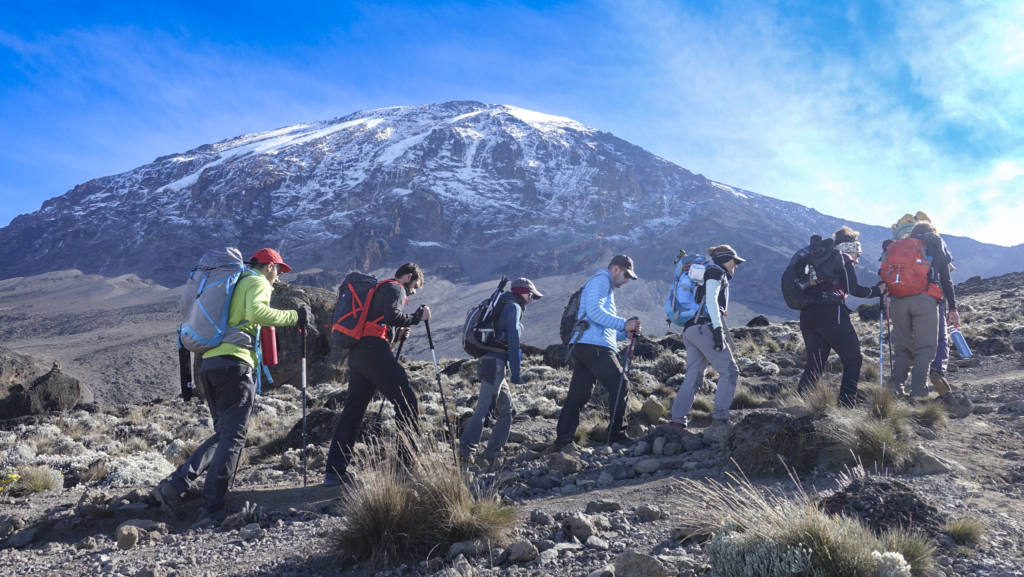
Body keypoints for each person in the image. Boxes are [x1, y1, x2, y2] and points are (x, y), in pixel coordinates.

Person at [154, 248, 312, 521]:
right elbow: (259, 314)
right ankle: (213, 503)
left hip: (211, 365)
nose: (279, 279)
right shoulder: (257, 281)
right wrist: (295, 316)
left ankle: (174, 486)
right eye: (279, 271)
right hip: (234, 367)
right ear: (270, 267)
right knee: (234, 436)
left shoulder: (234, 283)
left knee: (224, 434)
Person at [323, 263, 430, 487]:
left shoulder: (380, 289)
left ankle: (334, 472)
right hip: (374, 354)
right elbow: (393, 316)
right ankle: (403, 466)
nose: (413, 292)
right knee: (408, 403)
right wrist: (418, 317)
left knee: (352, 413)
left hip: (359, 355)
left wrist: (397, 336)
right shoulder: (395, 287)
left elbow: (380, 322)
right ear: (408, 277)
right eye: (415, 287)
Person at [553, 255, 642, 449]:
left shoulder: (603, 285)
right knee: (620, 384)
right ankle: (617, 435)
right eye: (627, 275)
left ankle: (563, 441)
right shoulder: (601, 280)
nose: (627, 280)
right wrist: (625, 323)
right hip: (594, 347)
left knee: (578, 394)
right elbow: (595, 312)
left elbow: (599, 324)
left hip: (585, 344)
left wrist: (622, 334)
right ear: (616, 269)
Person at [796, 227, 886, 406]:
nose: (858, 260)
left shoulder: (818, 260)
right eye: (858, 255)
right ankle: (846, 405)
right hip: (831, 314)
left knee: (815, 365)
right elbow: (854, 289)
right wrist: (878, 290)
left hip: (807, 315)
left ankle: (799, 405)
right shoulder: (843, 258)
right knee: (853, 361)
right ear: (851, 249)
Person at [458, 278, 542, 467]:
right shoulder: (513, 307)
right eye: (531, 296)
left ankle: (492, 454)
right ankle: (465, 452)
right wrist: (516, 373)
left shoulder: (502, 304)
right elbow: (513, 340)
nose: (531, 300)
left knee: (507, 410)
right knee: (484, 409)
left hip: (489, 364)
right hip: (495, 365)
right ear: (523, 292)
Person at [669, 245, 744, 433]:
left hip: (691, 330)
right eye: (735, 261)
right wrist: (718, 331)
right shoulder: (716, 272)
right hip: (705, 328)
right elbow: (711, 300)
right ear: (726, 259)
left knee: (693, 376)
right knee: (730, 371)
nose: (736, 265)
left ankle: (677, 422)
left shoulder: (706, 272)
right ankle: (720, 419)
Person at [888, 222, 959, 398]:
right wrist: (953, 307)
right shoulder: (934, 245)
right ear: (932, 233)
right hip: (925, 300)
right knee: (924, 349)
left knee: (903, 349)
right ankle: (918, 393)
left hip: (897, 301)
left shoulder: (901, 247)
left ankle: (895, 388)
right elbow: (947, 281)